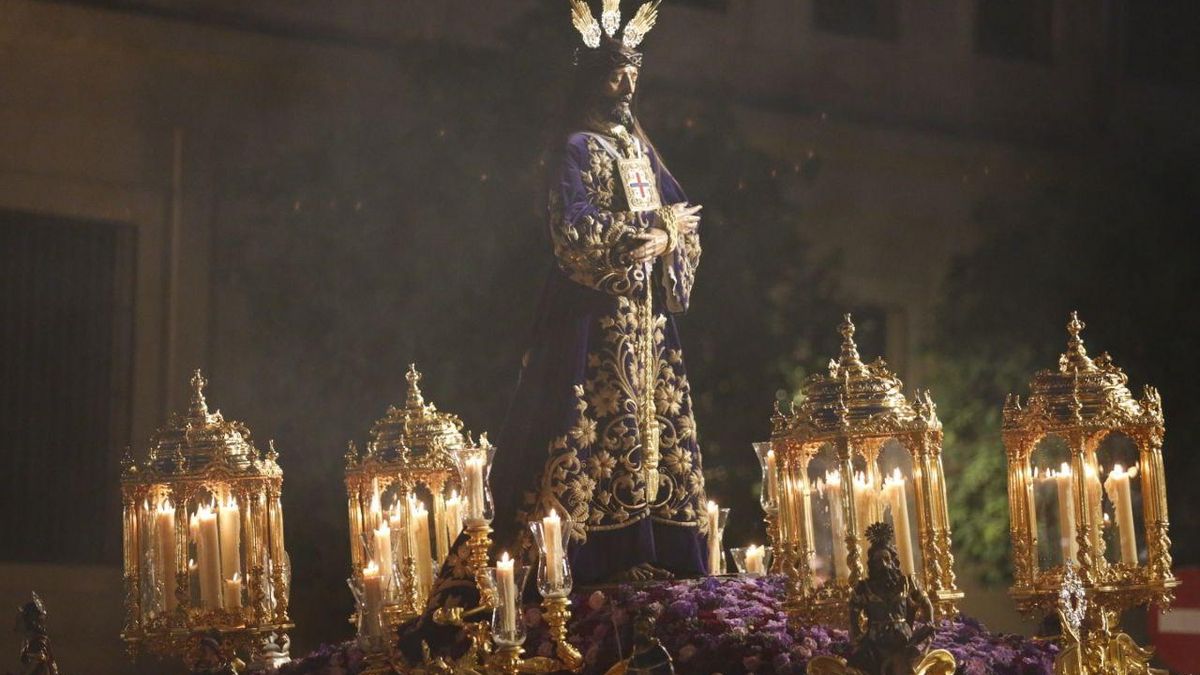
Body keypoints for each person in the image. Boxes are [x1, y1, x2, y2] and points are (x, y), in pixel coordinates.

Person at [489, 0, 707, 585]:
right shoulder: (577, 148)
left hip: (649, 321)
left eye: (635, 69)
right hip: (594, 316)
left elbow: (682, 215)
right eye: (617, 70)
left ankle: (661, 546)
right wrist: (643, 237)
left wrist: (668, 236)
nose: (628, 81)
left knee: (655, 426)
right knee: (592, 425)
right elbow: (574, 227)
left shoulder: (639, 149)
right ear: (591, 75)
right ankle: (596, 557)